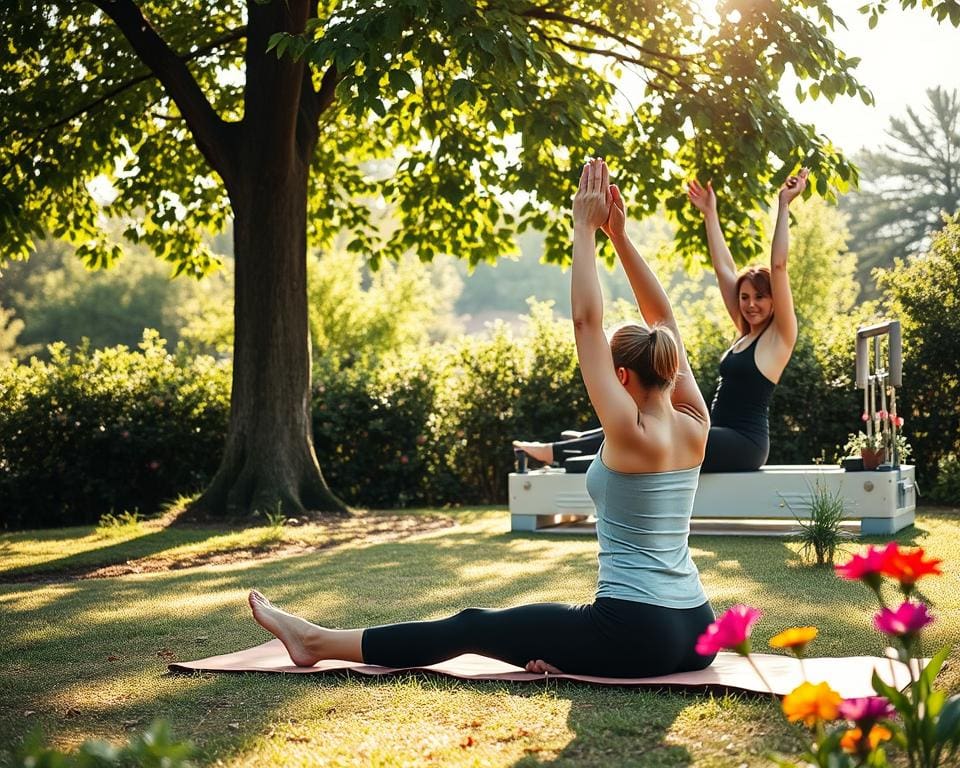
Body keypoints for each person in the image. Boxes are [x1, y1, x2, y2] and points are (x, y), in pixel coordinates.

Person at [247, 158, 716, 678]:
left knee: (472, 624)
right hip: (697, 630)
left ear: (622, 377)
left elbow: (587, 321)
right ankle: (571, 648)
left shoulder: (630, 432)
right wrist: (622, 239)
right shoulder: (695, 424)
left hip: (635, 632)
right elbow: (664, 321)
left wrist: (586, 229)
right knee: (532, 632)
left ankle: (314, 641)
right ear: (666, 363)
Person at [514, 168, 807, 473]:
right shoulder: (744, 334)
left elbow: (779, 265)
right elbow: (722, 270)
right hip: (710, 430)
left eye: (760, 297)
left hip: (744, 444)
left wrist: (784, 204)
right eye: (744, 297)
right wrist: (710, 214)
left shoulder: (779, 338)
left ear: (775, 301)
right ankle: (576, 447)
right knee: (649, 425)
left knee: (642, 427)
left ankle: (561, 451)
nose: (749, 304)